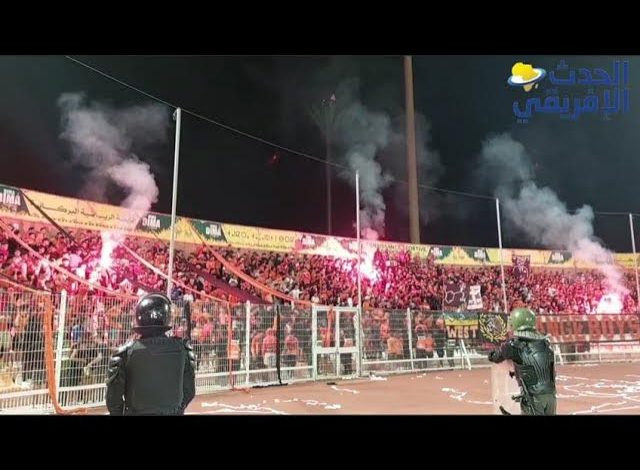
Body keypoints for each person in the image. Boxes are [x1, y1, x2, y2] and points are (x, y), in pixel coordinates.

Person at [105, 293, 196, 416]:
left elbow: (113, 401)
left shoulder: (125, 353)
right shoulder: (183, 349)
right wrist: (177, 410)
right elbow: (189, 391)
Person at [488, 308, 556, 416]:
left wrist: (493, 353)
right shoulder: (545, 343)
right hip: (550, 394)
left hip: (532, 397)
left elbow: (495, 357)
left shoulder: (514, 345)